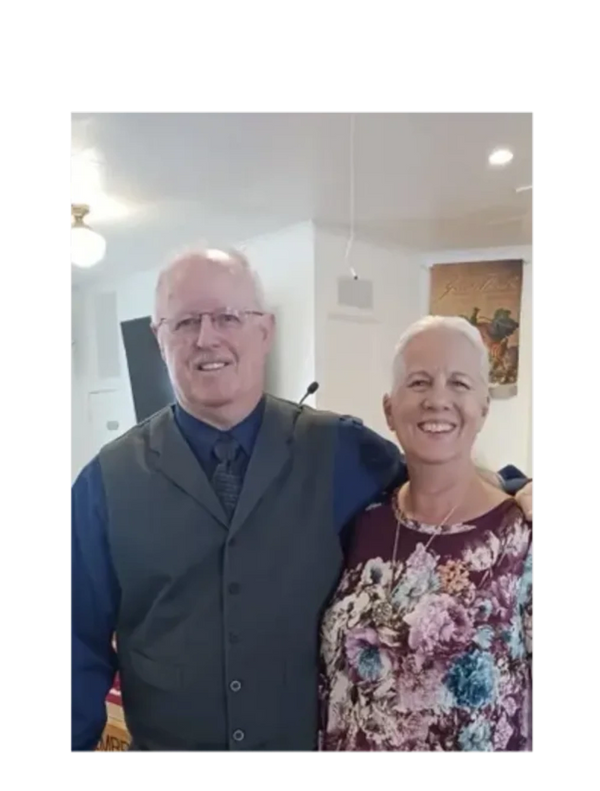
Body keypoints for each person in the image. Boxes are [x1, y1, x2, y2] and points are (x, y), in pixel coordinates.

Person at [69, 249, 534, 755]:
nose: (206, 337)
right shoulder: (106, 484)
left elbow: (434, 474)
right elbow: (77, 646)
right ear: (158, 338)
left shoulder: (338, 451)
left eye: (228, 317)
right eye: (184, 322)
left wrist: (516, 488)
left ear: (265, 330)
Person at [318, 316, 534, 755]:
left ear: (484, 407)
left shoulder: (521, 538)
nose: (437, 399)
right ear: (389, 409)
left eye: (459, 383)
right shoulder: (361, 523)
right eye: (418, 382)